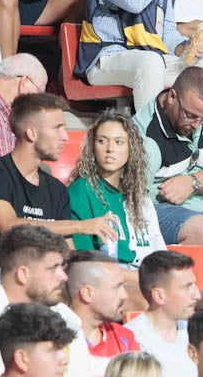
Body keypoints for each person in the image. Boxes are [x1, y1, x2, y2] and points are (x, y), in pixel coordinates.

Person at [0, 93, 113, 269]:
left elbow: (67, 250)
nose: (64, 136)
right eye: (57, 128)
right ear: (32, 133)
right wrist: (81, 226)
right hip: (0, 282)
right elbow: (10, 227)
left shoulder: (56, 189)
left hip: (46, 280)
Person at [135, 67, 203, 247]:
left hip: (197, 206)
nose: (197, 124)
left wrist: (192, 182)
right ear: (172, 97)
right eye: (190, 116)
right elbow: (131, 202)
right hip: (154, 210)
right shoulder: (145, 135)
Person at [66, 110, 167, 265]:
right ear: (93, 146)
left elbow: (158, 249)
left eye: (119, 142)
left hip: (146, 272)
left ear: (130, 149)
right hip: (109, 274)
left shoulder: (138, 195)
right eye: (102, 141)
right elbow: (85, 261)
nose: (110, 149)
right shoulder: (81, 190)